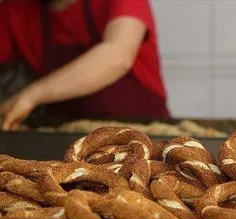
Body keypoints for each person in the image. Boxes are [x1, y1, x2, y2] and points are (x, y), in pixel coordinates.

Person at [0, 0, 170, 130]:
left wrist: (32, 95)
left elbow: (117, 55)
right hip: (60, 142)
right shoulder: (15, 9)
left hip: (144, 136)